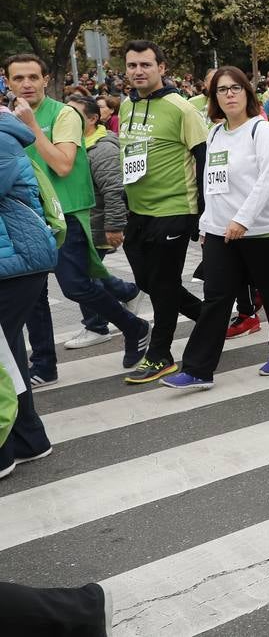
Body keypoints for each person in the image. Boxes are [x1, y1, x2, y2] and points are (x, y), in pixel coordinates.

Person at [5, 55, 147, 386]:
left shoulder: (64, 114)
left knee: (74, 285)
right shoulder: (8, 117)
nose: (26, 84)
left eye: (32, 77)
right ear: (8, 83)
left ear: (44, 79)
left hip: (65, 214)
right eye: (18, 78)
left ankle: (134, 326)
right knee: (33, 296)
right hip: (28, 216)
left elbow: (63, 165)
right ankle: (43, 364)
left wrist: (31, 127)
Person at [161, 69, 269, 389]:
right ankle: (197, 369)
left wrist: (243, 220)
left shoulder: (262, 131)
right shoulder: (214, 133)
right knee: (216, 298)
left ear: (248, 93)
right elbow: (212, 185)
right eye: (221, 90)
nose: (229, 95)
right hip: (222, 233)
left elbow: (268, 180)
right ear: (214, 98)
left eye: (236, 88)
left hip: (265, 230)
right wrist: (208, 224)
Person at [117, 42, 206, 384]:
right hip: (138, 211)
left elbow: (203, 157)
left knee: (164, 282)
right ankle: (207, 317)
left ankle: (160, 354)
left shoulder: (180, 108)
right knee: (147, 281)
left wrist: (201, 214)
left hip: (175, 208)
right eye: (132, 65)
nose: (138, 71)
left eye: (145, 65)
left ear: (162, 68)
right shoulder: (127, 106)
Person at [0, 105, 58, 476]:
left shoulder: (1, 138)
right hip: (15, 261)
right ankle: (29, 438)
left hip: (15, 261)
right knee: (8, 353)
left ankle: (5, 451)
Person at [65, 96, 140, 349]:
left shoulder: (102, 148)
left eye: (75, 114)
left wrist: (114, 226)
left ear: (93, 119)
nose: (67, 119)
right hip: (81, 223)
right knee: (87, 271)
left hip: (97, 225)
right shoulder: (73, 143)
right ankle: (127, 292)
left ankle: (97, 326)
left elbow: (114, 190)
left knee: (82, 275)